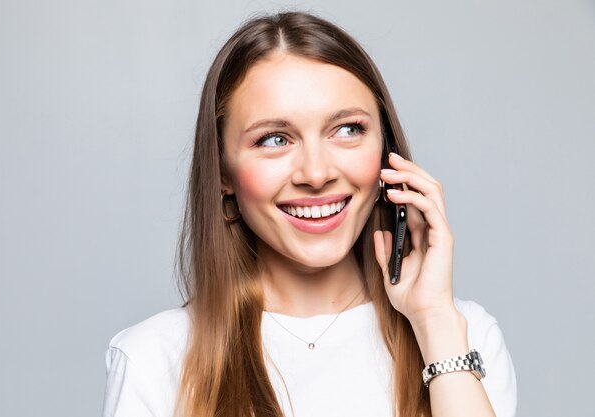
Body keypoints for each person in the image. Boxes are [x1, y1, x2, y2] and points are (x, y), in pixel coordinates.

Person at [101, 10, 517, 417]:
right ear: (222, 170)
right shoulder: (153, 359)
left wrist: (433, 320)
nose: (316, 174)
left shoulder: (464, 333)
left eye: (348, 130)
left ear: (385, 152)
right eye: (275, 139)